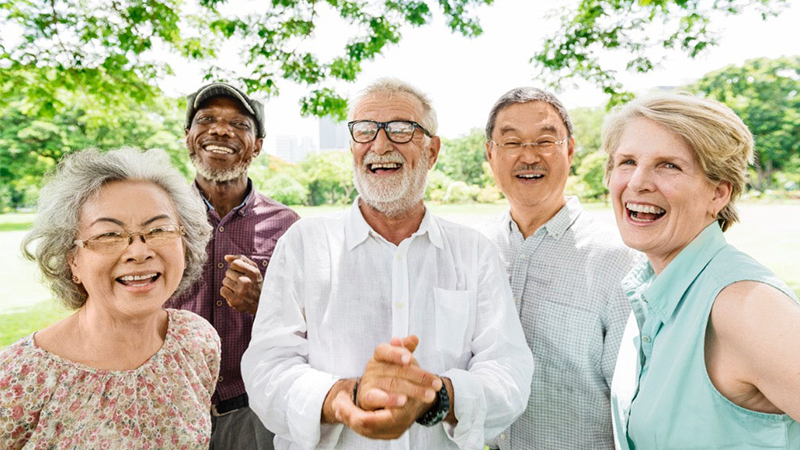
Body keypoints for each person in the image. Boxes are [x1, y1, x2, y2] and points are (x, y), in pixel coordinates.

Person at [241, 78, 533, 450]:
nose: (380, 145)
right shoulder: (304, 244)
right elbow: (267, 369)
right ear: (351, 147)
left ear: (432, 151)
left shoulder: (473, 252)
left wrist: (435, 395)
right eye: (365, 131)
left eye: (401, 129)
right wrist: (346, 397)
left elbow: (509, 373)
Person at [603, 93, 800, 449]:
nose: (638, 182)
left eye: (669, 165)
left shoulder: (744, 305)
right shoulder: (651, 288)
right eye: (627, 161)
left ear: (719, 193)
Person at [0, 148, 219, 449]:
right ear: (72, 260)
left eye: (159, 230)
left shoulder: (196, 341)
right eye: (108, 235)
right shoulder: (18, 378)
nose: (139, 251)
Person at [479, 87, 640, 449]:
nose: (529, 156)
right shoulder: (476, 249)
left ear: (569, 149)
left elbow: (635, 402)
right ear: (490, 153)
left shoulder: (617, 257)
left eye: (545, 140)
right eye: (512, 142)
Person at [165, 82, 300, 450]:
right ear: (188, 137)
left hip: (253, 411)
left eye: (239, 124)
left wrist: (264, 301)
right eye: (206, 119)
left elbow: (313, 324)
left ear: (257, 144)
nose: (220, 130)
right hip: (169, 406)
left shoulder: (288, 225)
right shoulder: (157, 217)